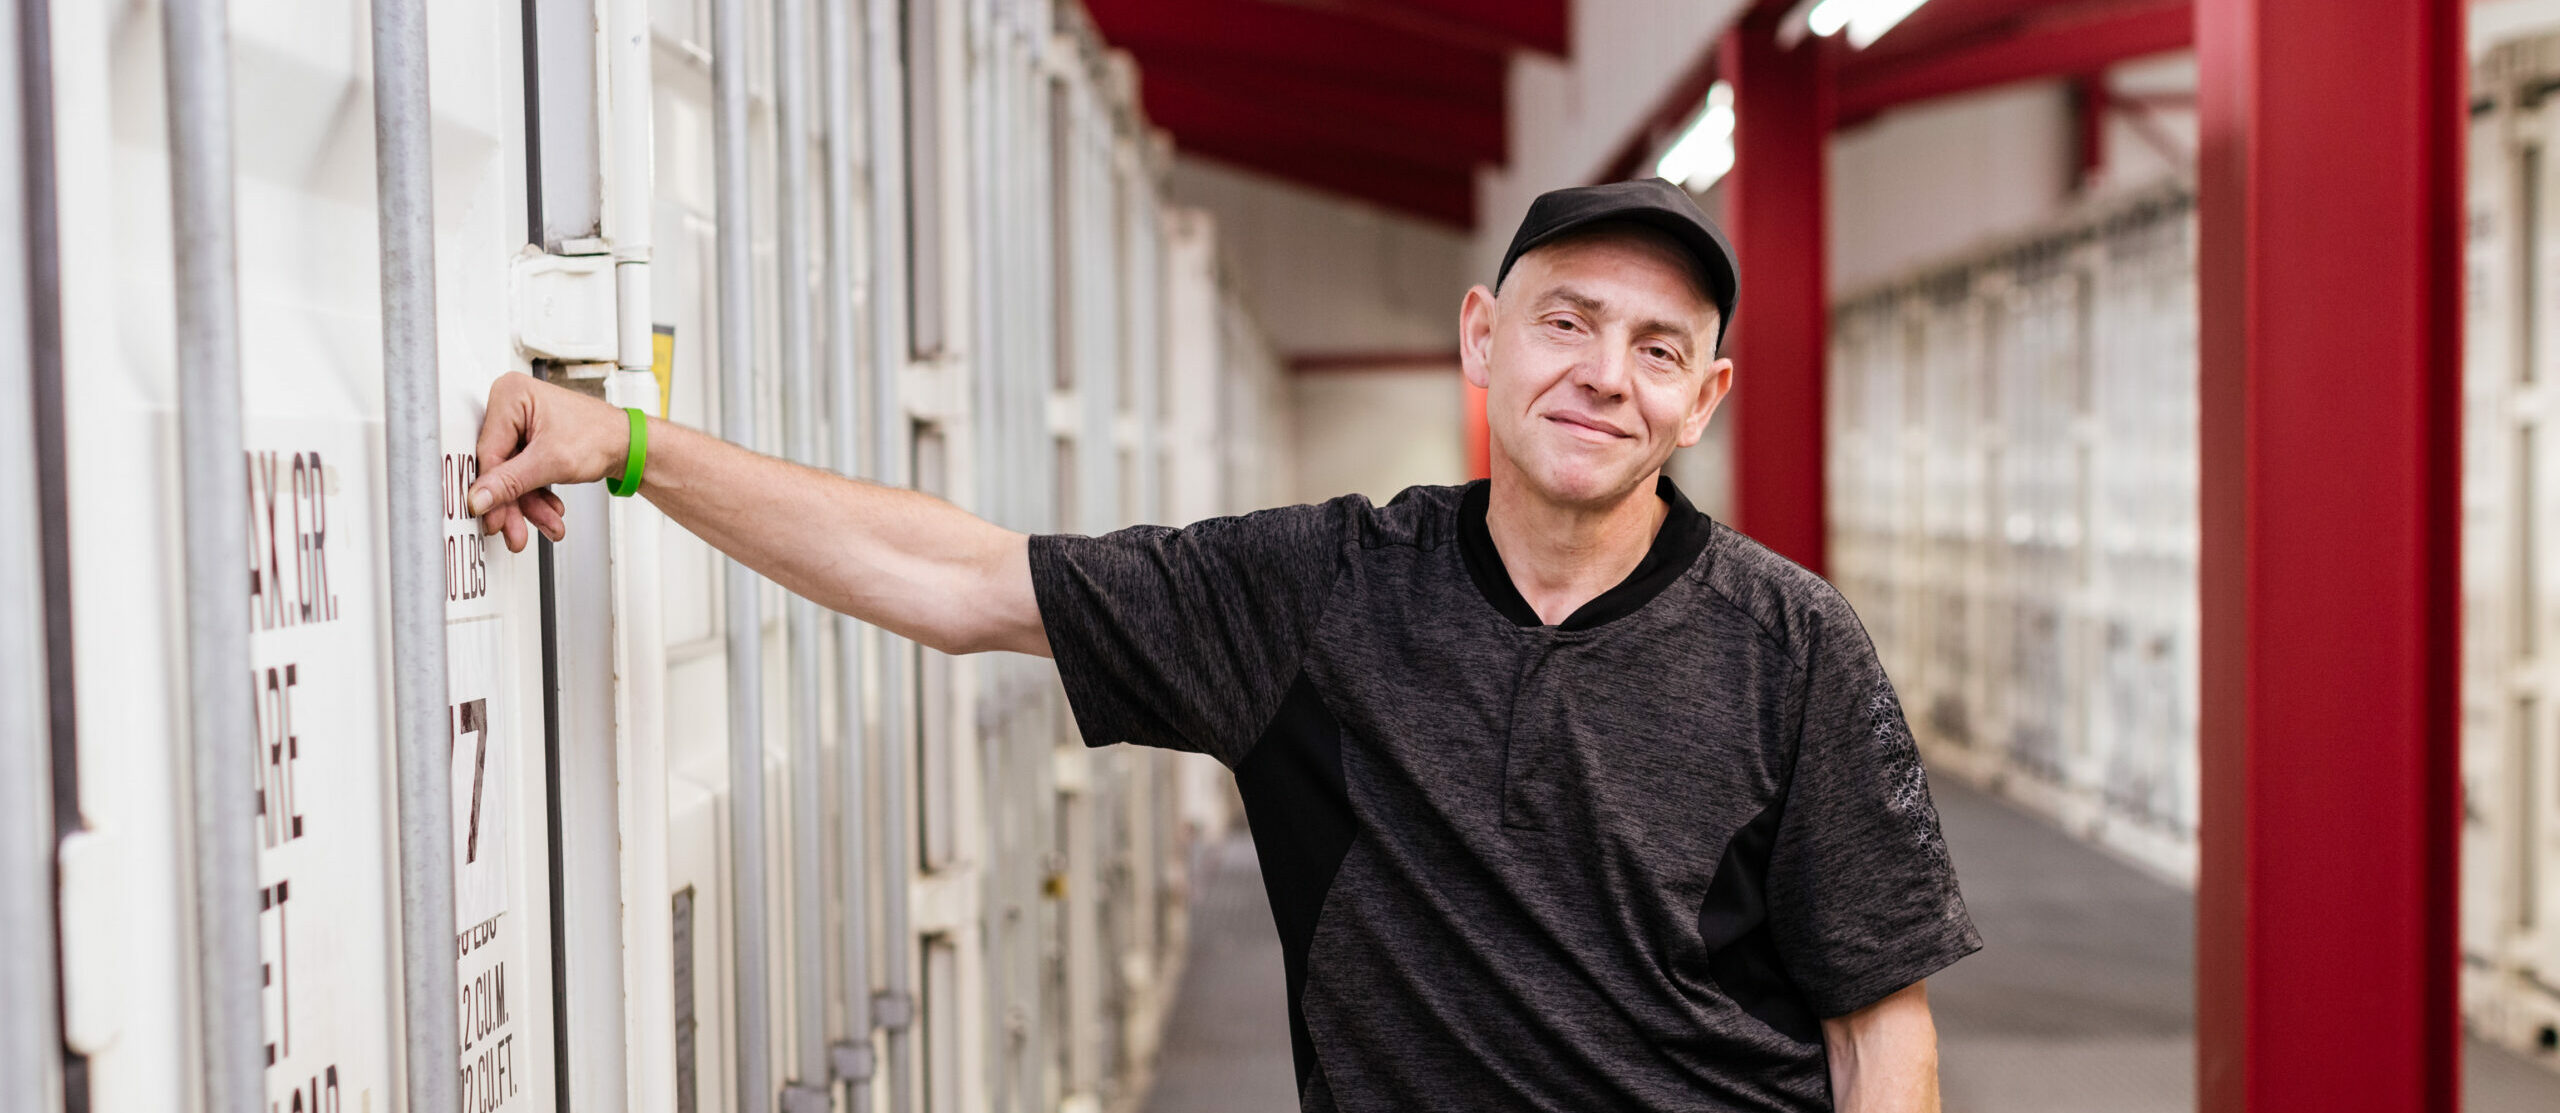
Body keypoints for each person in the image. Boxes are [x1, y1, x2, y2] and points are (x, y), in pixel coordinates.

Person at [468, 177, 1977, 1113]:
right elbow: (957, 575)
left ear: (1702, 400)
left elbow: (1876, 1029)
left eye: (1657, 351)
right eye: (1567, 321)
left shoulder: (1793, 647)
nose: (1603, 375)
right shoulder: (1318, 592)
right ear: (1481, 338)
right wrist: (627, 447)